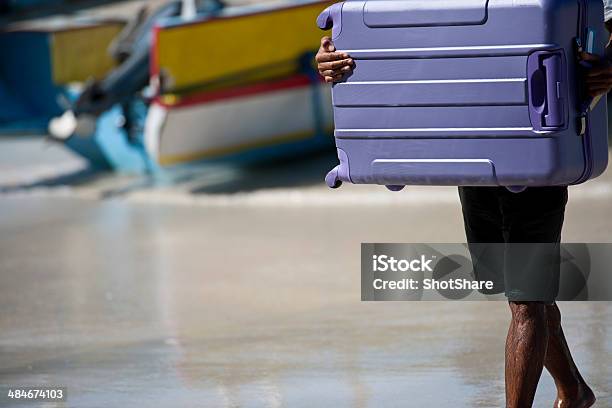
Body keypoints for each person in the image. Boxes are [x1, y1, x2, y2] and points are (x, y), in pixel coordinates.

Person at [315, 6, 612, 408]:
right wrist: (332, 53)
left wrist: (607, 64)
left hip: (538, 141)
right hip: (475, 140)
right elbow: (401, 27)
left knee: (526, 299)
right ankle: (574, 390)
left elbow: (600, 19)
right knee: (512, 285)